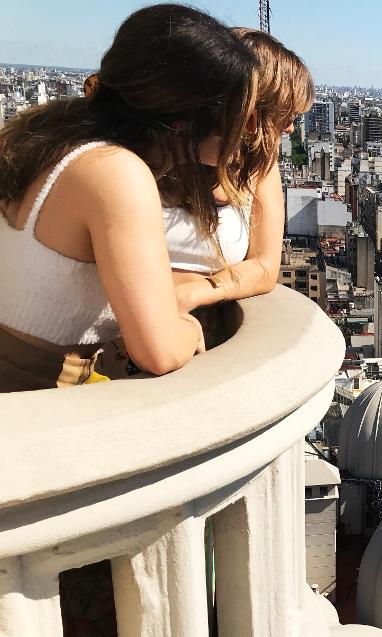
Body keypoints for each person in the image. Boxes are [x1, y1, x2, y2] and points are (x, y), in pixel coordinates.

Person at [0, 4, 258, 391]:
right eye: (242, 114)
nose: (252, 129)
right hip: (37, 394)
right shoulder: (115, 171)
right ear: (187, 120)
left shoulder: (54, 139)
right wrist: (188, 327)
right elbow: (160, 351)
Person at [165, 29, 315, 315]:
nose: (290, 128)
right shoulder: (157, 154)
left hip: (199, 326)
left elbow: (265, 267)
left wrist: (194, 292)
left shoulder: (260, 166)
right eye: (285, 114)